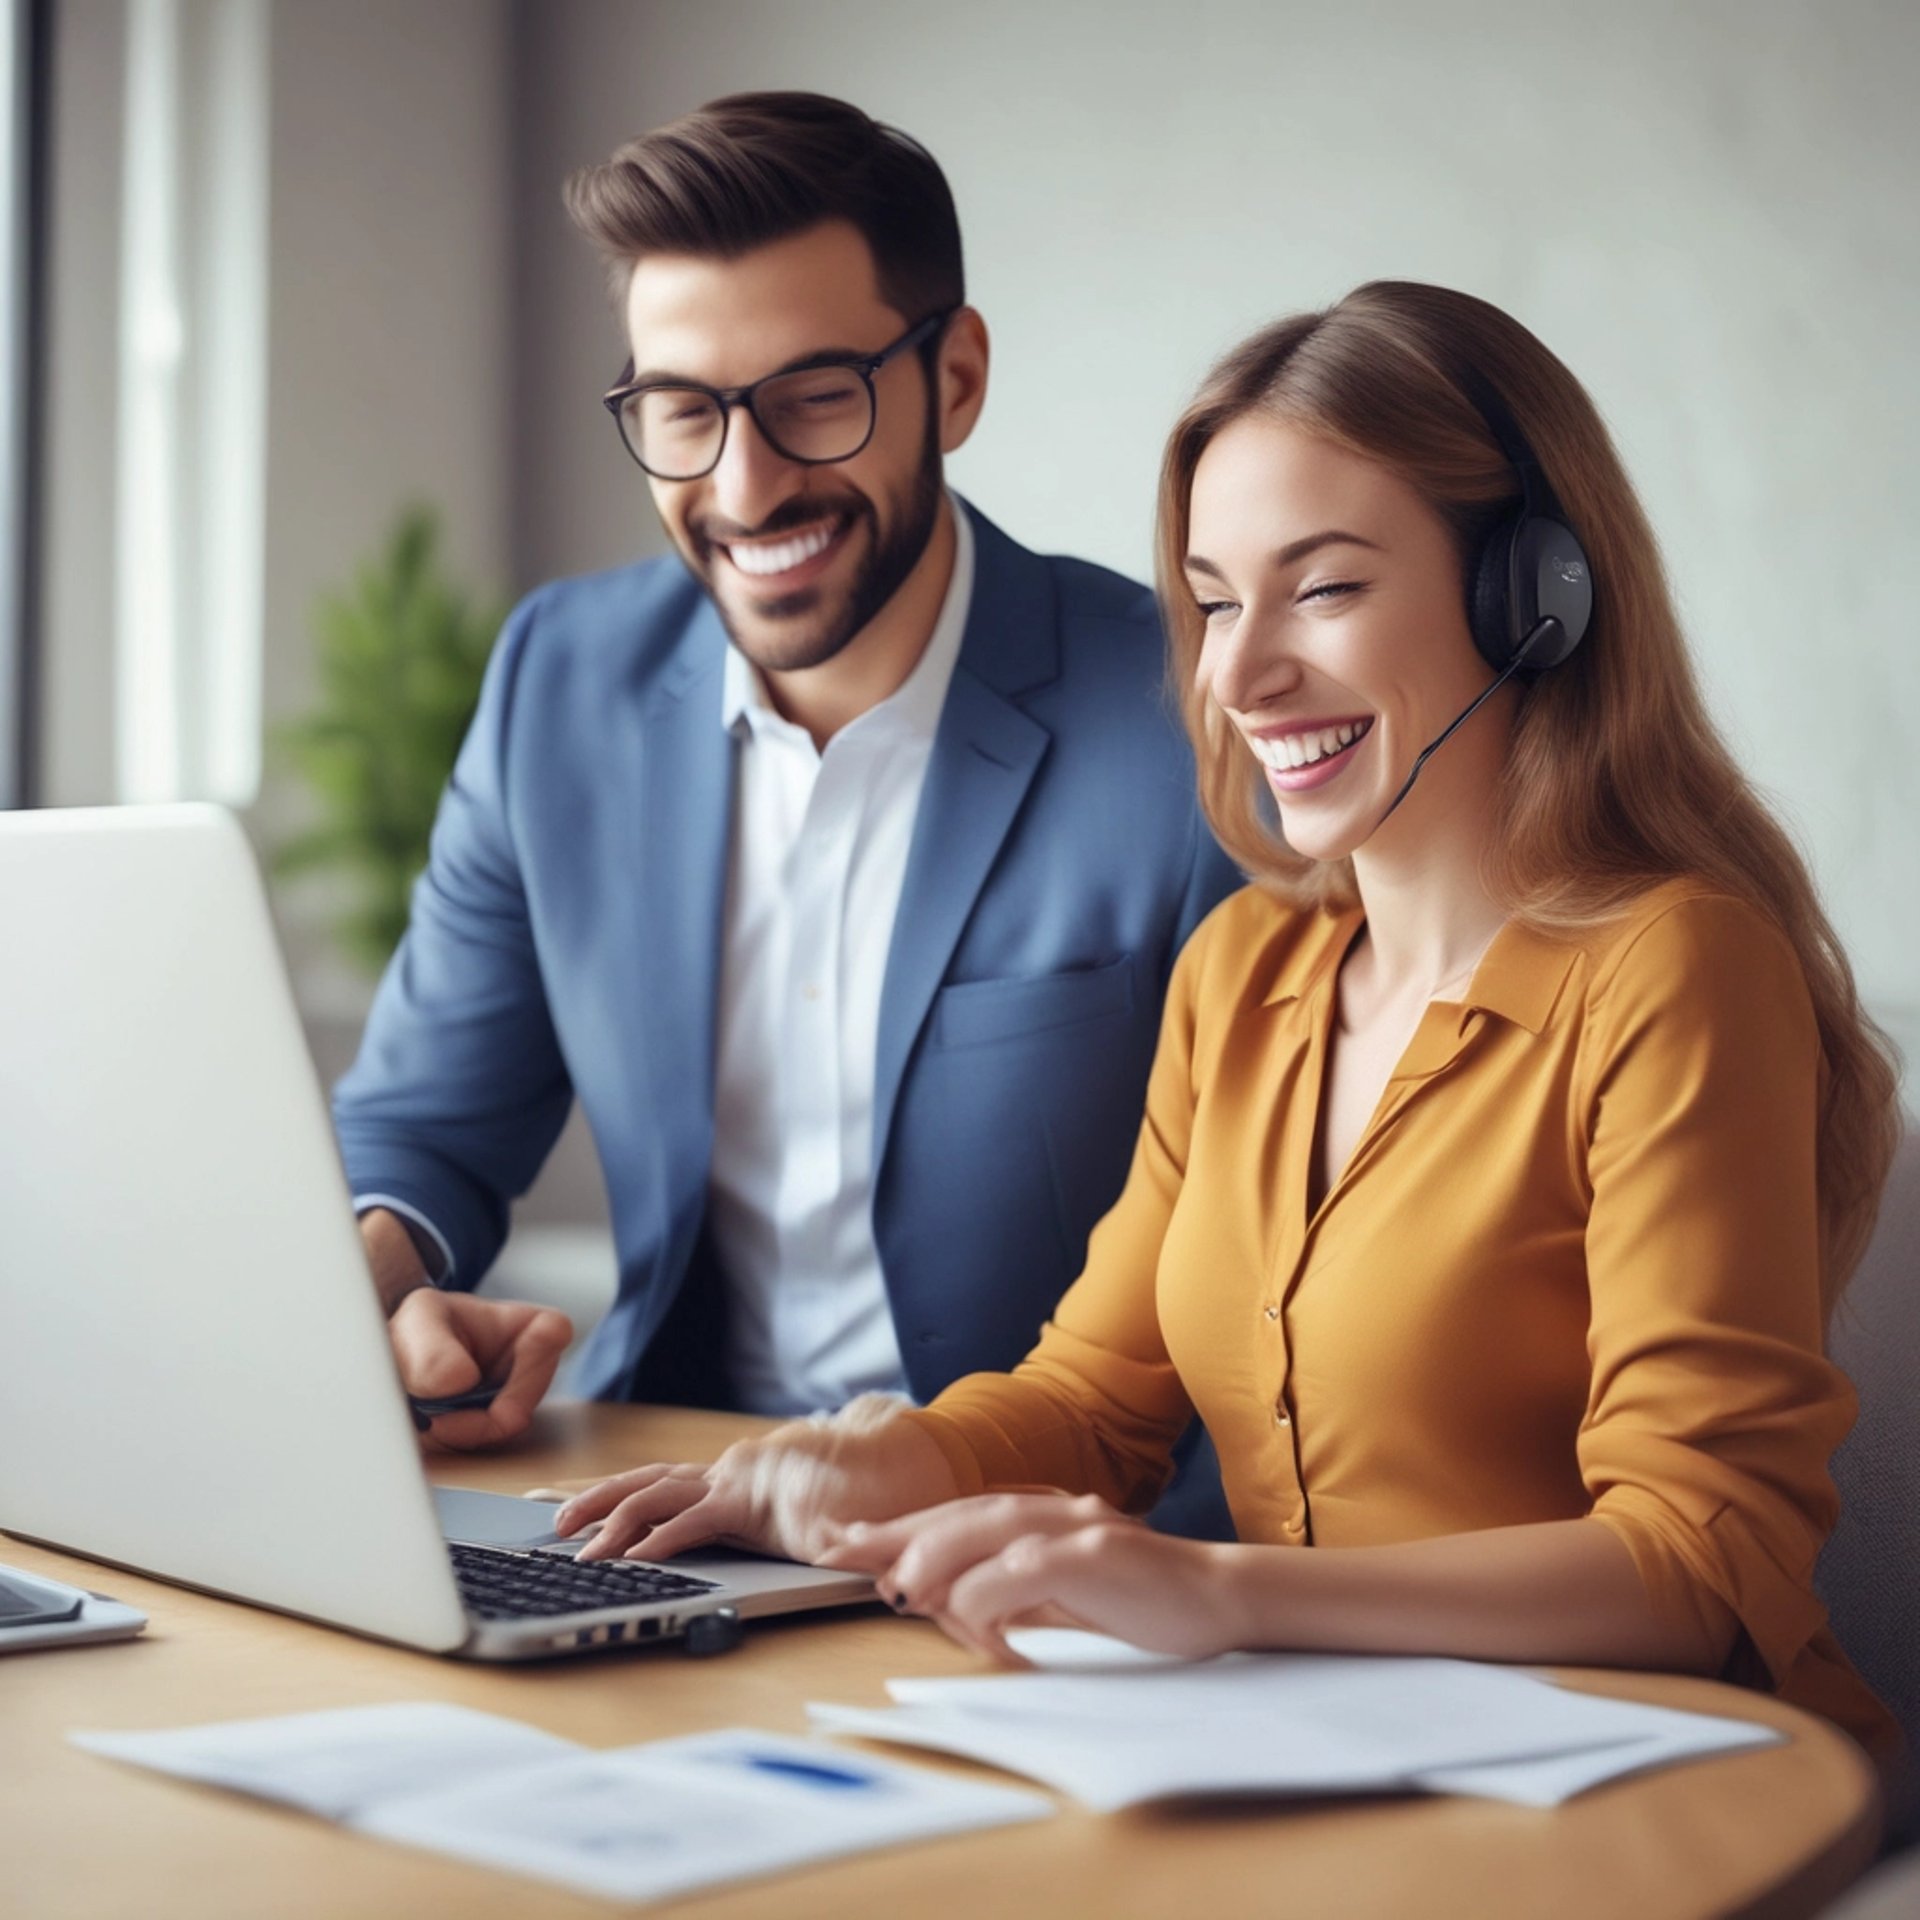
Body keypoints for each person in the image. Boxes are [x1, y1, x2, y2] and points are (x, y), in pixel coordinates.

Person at [555, 281, 1905, 1772]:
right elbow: (1097, 1398)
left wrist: (1216, 1592)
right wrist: (881, 1456)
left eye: (1322, 589)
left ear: (1534, 597)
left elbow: (1697, 1559)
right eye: (1210, 600)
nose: (1237, 675)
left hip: (1660, 1788)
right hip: (1338, 1770)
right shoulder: (1247, 970)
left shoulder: (1673, 968)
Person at [332, 93, 1240, 1522]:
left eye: (817, 395)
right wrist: (366, 1313)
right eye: (684, 412)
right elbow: (425, 1125)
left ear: (954, 378)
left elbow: (1270, 1282)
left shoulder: (1185, 716)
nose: (746, 489)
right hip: (664, 1509)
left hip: (1040, 1533)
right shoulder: (557, 686)